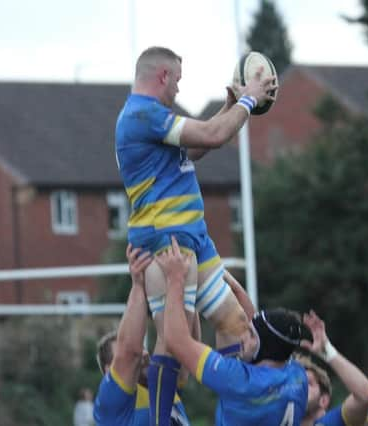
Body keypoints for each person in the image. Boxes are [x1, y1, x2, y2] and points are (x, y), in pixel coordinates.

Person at [115, 46, 277, 425]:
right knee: (174, 341)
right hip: (165, 239)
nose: (178, 90)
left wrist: (230, 107)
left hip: (192, 238)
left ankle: (237, 418)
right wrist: (250, 98)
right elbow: (213, 136)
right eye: (178, 81)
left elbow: (199, 145)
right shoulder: (143, 114)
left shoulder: (152, 117)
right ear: (163, 77)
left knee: (238, 326)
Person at [158, 236, 312, 426]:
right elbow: (265, 335)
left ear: (261, 345)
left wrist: (175, 280)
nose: (242, 335)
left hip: (245, 388)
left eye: (249, 334)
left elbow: (176, 341)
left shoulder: (238, 379)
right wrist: (236, 290)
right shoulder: (297, 374)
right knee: (231, 327)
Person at [93, 244, 190, 426]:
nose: (145, 353)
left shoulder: (162, 383)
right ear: (108, 372)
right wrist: (138, 284)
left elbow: (180, 340)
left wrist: (182, 284)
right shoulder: (110, 402)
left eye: (145, 348)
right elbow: (131, 352)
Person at [297, 311, 368, 426]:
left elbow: (365, 395)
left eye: (309, 383)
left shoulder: (332, 422)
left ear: (323, 400)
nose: (301, 387)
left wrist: (327, 351)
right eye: (297, 382)